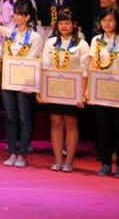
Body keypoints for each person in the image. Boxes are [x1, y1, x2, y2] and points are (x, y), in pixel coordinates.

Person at [0, 0, 44, 168]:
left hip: (25, 83)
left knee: (24, 118)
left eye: (19, 14)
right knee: (10, 117)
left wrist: (31, 85)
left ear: (27, 17)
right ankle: (12, 152)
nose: (15, 17)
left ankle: (22, 154)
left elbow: (33, 61)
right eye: (15, 14)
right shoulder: (10, 32)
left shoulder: (35, 37)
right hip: (9, 81)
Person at [39, 9, 88, 172]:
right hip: (54, 88)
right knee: (56, 122)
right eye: (61, 23)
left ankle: (69, 162)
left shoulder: (81, 44)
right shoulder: (51, 43)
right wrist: (42, 91)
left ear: (74, 25)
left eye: (67, 23)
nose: (64, 26)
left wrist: (83, 94)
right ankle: (58, 160)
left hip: (73, 90)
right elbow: (45, 66)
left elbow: (85, 71)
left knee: (71, 122)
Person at [88, 7, 119, 178]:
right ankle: (105, 163)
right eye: (104, 20)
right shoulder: (96, 41)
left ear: (117, 22)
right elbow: (92, 66)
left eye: (111, 20)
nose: (107, 24)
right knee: (103, 129)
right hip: (101, 91)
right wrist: (89, 90)